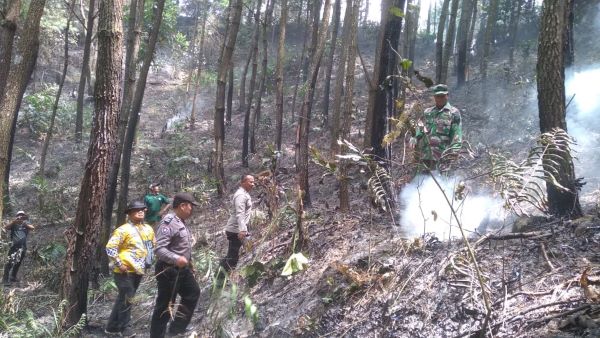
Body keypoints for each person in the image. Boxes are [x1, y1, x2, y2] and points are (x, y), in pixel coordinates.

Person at [150, 192, 200, 338]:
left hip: (182, 269)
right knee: (165, 305)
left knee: (192, 293)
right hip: (168, 270)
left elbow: (181, 246)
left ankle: (176, 330)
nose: (192, 209)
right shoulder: (169, 221)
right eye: (191, 206)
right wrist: (176, 258)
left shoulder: (180, 221)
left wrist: (189, 263)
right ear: (183, 206)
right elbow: (159, 249)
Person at [105, 201, 155, 337]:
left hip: (139, 270)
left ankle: (111, 327)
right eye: (136, 210)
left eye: (142, 210)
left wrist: (150, 262)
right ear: (129, 213)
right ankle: (125, 328)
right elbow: (110, 247)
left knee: (124, 297)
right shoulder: (123, 230)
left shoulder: (148, 229)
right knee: (128, 298)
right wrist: (119, 263)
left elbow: (151, 246)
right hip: (124, 271)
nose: (140, 212)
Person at [412, 84, 463, 171]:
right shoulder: (428, 112)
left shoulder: (453, 113)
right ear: (434, 97)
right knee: (421, 182)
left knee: (440, 183)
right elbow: (420, 128)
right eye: (437, 96)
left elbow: (456, 137)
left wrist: (452, 154)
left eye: (442, 96)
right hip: (425, 156)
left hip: (442, 158)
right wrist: (415, 137)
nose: (440, 99)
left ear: (447, 96)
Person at [216, 175, 255, 281]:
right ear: (242, 182)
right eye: (250, 182)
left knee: (233, 254)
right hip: (236, 230)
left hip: (239, 229)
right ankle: (220, 280)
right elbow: (240, 214)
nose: (253, 184)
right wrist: (242, 230)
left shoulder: (244, 194)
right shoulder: (240, 195)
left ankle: (219, 276)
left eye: (253, 182)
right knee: (233, 257)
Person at [2, 211, 34, 286]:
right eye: (19, 216)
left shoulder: (26, 223)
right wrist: (14, 221)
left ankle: (13, 276)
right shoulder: (13, 224)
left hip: (23, 247)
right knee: (9, 263)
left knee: (18, 262)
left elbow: (32, 228)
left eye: (22, 216)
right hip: (13, 247)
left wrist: (25, 223)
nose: (20, 217)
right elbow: (6, 227)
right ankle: (5, 280)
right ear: (16, 216)